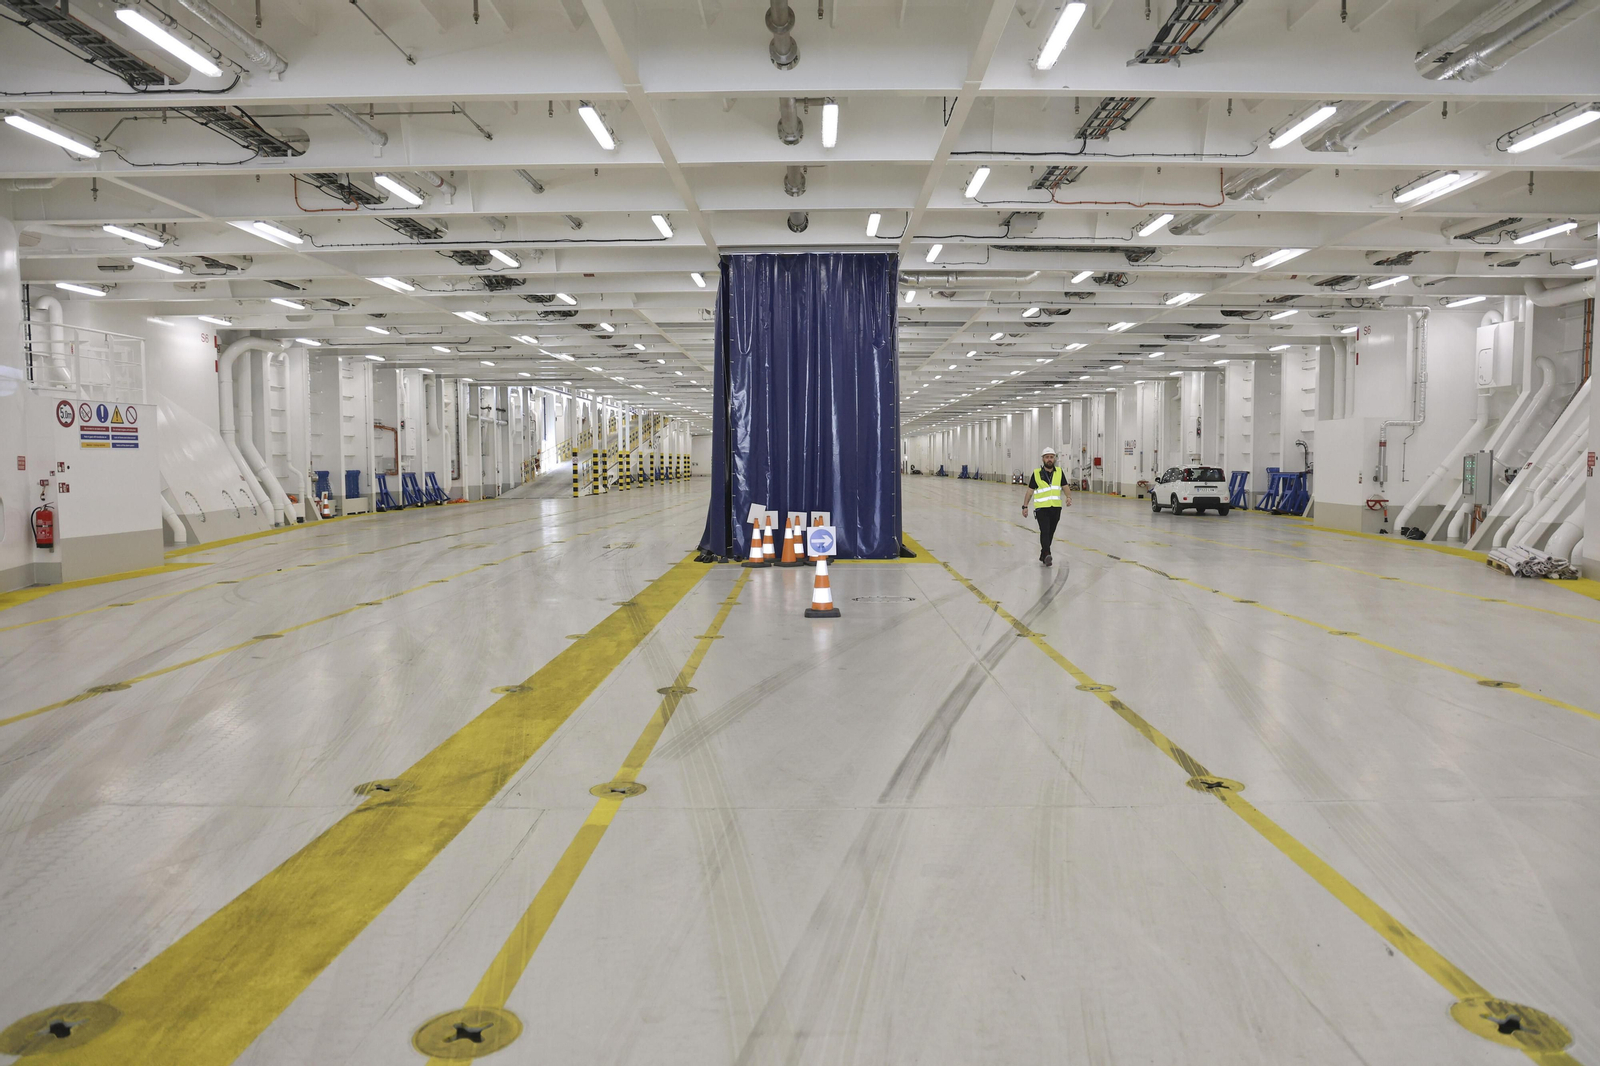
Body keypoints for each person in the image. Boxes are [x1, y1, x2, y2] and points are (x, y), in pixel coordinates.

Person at [1021, 446, 1071, 566]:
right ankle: (1048, 553)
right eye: (1047, 457)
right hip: (1041, 509)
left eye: (1051, 457)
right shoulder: (1037, 474)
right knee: (1045, 531)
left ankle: (1043, 554)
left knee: (1051, 532)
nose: (1049, 459)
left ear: (1054, 459)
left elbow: (1065, 486)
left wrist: (1068, 497)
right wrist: (1025, 506)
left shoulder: (1059, 472)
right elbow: (1030, 491)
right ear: (1043, 459)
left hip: (1055, 508)